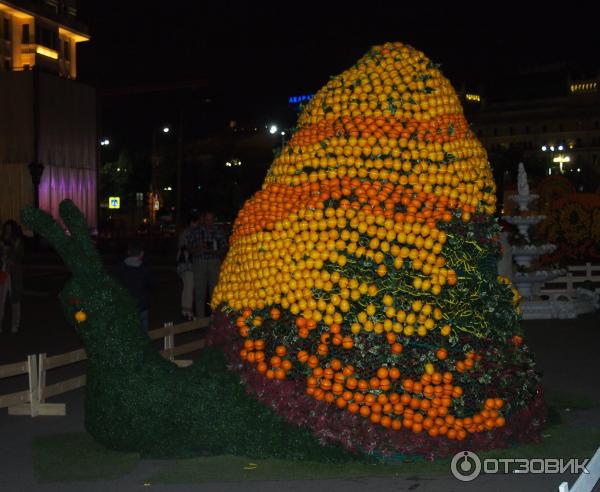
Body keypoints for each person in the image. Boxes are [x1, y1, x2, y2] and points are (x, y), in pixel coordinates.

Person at [188, 211, 228, 318]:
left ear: (214, 220)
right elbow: (190, 249)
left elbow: (224, 247)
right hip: (199, 262)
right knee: (199, 293)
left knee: (214, 293)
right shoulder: (196, 232)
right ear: (203, 219)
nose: (209, 222)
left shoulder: (218, 232)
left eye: (211, 220)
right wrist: (198, 248)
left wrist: (217, 251)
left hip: (214, 262)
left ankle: (214, 320)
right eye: (207, 219)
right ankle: (200, 320)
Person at [117, 242, 153, 330]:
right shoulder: (143, 269)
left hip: (126, 304)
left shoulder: (121, 267)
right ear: (141, 254)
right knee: (143, 331)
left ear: (129, 252)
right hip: (142, 305)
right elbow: (151, 284)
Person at [0, 220, 24, 333]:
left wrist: (9, 256)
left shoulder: (17, 241)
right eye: (6, 229)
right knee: (1, 300)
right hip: (2, 273)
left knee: (15, 300)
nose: (8, 231)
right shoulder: (1, 241)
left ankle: (15, 325)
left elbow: (18, 257)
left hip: (14, 274)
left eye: (10, 229)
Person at [177, 212, 201, 321]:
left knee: (188, 287)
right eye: (197, 222)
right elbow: (187, 248)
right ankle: (187, 312)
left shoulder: (185, 232)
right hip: (187, 264)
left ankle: (186, 311)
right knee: (189, 287)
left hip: (186, 264)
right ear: (192, 222)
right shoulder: (188, 233)